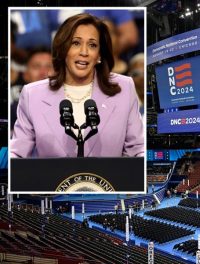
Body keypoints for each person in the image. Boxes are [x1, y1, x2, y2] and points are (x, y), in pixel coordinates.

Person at [10, 13, 144, 158]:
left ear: (99, 55)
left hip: (110, 180)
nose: (84, 52)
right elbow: (17, 155)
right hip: (53, 180)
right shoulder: (32, 95)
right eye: (76, 43)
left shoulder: (124, 88)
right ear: (63, 49)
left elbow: (137, 150)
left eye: (92, 45)